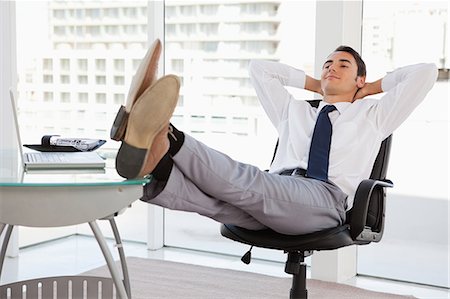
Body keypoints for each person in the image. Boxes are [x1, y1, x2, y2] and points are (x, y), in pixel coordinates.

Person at [114, 44, 437, 235]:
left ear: (360, 78)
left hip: (326, 201)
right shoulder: (294, 112)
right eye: (327, 65)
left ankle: (165, 138)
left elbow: (425, 73)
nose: (331, 69)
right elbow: (260, 70)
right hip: (279, 189)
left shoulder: (373, 116)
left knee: (250, 183)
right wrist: (317, 85)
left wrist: (369, 89)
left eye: (343, 65)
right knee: (217, 203)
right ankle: (156, 168)